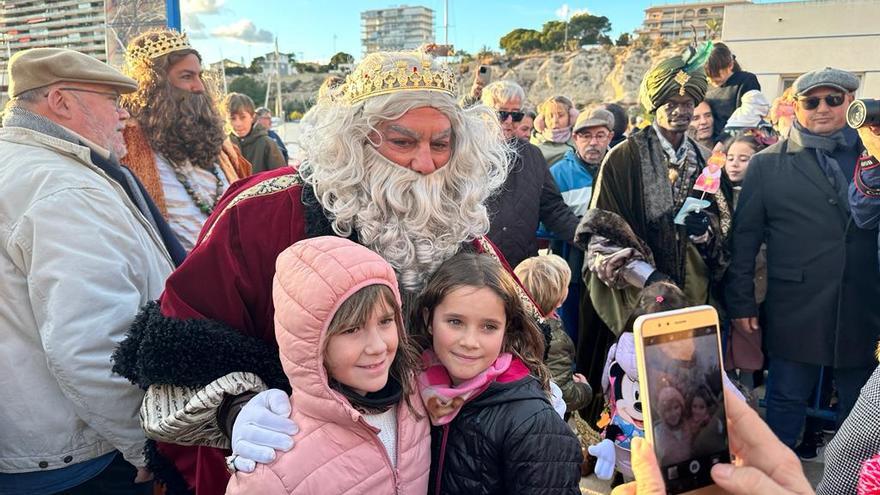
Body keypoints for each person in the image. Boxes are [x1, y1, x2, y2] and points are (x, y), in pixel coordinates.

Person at [112, 50, 522, 495]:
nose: (425, 163)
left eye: (440, 145)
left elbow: (521, 330)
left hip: (429, 469)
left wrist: (523, 389)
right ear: (356, 139)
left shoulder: (457, 223)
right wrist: (235, 409)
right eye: (403, 142)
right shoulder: (264, 213)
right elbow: (176, 345)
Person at [0, 48, 175, 493]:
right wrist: (149, 447)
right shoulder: (64, 186)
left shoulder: (20, 166)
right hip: (83, 456)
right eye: (113, 99)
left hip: (32, 442)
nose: (124, 115)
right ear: (61, 102)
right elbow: (92, 344)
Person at [725, 67, 880, 450]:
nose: (823, 108)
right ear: (796, 106)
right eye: (812, 101)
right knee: (785, 398)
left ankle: (852, 481)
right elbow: (744, 240)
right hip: (796, 304)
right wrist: (743, 302)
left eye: (834, 99)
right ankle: (778, 480)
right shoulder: (766, 163)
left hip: (862, 301)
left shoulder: (872, 153)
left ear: (850, 102)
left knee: (860, 406)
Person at [225, 237, 429, 494]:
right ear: (311, 344)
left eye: (386, 321)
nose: (377, 346)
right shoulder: (275, 466)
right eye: (353, 329)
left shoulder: (417, 399)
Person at [577, 43, 733, 335]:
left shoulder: (704, 157)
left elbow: (724, 227)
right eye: (671, 103)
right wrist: (649, 277)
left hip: (694, 293)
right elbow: (601, 233)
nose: (680, 110)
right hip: (637, 299)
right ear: (655, 106)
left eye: (688, 103)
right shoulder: (624, 157)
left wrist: (704, 232)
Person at [412, 252, 583, 494]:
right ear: (429, 319)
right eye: (455, 322)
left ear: (507, 329)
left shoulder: (533, 424)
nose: (470, 342)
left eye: (489, 327)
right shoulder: (417, 390)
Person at [121, 28, 251, 252]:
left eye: (199, 76)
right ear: (153, 84)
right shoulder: (127, 146)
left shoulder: (221, 147)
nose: (199, 87)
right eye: (186, 76)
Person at [610, 387, 816, 495]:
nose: (673, 413)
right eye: (667, 408)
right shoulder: (658, 432)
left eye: (677, 407)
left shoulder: (695, 429)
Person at [480, 80, 580, 269]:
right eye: (501, 114)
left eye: (516, 115)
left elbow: (552, 207)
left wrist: (587, 238)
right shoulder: (463, 154)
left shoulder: (532, 155)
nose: (509, 122)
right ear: (484, 113)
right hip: (475, 269)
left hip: (521, 270)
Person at [514, 254, 592, 413]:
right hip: (547, 412)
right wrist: (584, 389)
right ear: (561, 299)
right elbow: (564, 395)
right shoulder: (555, 341)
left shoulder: (512, 325)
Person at [704, 42, 761, 137]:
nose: (712, 81)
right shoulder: (706, 87)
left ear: (730, 65)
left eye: (716, 76)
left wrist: (723, 142)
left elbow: (748, 117)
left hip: (736, 141)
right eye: (709, 77)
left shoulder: (746, 81)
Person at [225, 92, 286, 174]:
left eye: (243, 117)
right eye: (232, 118)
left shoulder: (267, 144)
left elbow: (281, 178)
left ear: (252, 117)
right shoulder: (224, 146)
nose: (238, 124)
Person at [530, 95, 578, 166]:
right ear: (542, 119)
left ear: (571, 116)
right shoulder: (534, 144)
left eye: (560, 115)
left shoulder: (578, 139)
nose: (555, 121)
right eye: (550, 116)